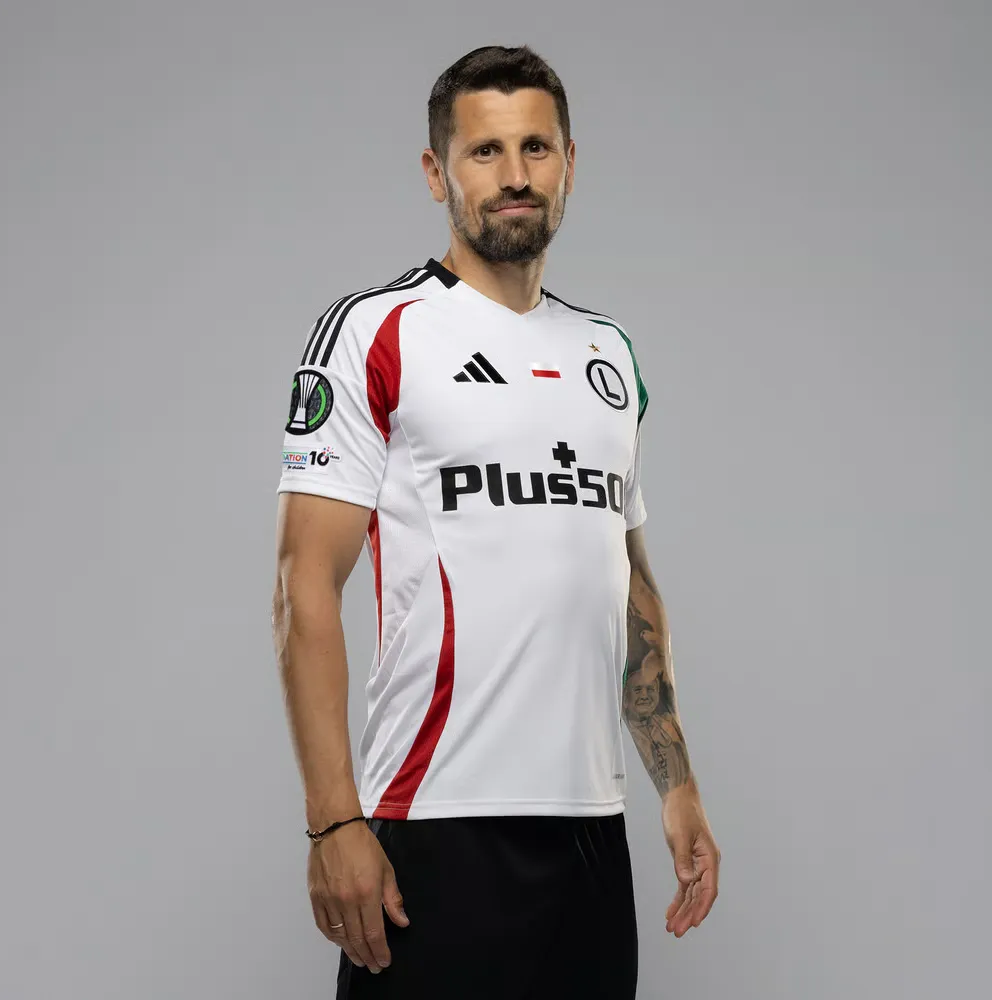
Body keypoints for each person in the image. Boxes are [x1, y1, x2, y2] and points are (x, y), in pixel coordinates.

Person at [271, 44, 720, 999]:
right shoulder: (377, 331)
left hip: (591, 830)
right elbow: (303, 586)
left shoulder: (609, 353)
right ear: (437, 172)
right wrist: (333, 821)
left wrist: (675, 784)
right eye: (485, 152)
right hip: (438, 820)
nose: (515, 175)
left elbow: (625, 578)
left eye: (535, 148)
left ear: (569, 163)